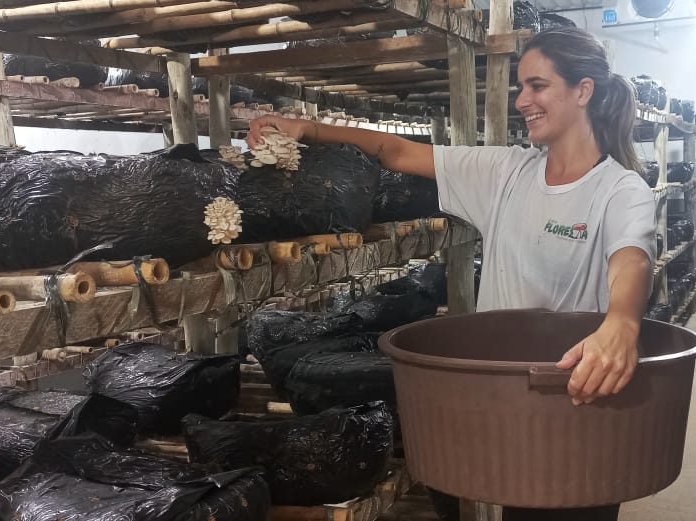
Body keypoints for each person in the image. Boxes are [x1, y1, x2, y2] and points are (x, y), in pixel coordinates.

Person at [248, 26, 655, 521]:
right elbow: (396, 152)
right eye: (520, 87)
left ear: (583, 91)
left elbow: (631, 257)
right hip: (509, 400)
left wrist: (622, 323)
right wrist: (307, 130)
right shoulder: (505, 172)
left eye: (537, 85)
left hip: (578, 400)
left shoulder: (619, 189)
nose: (522, 99)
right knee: (521, 510)